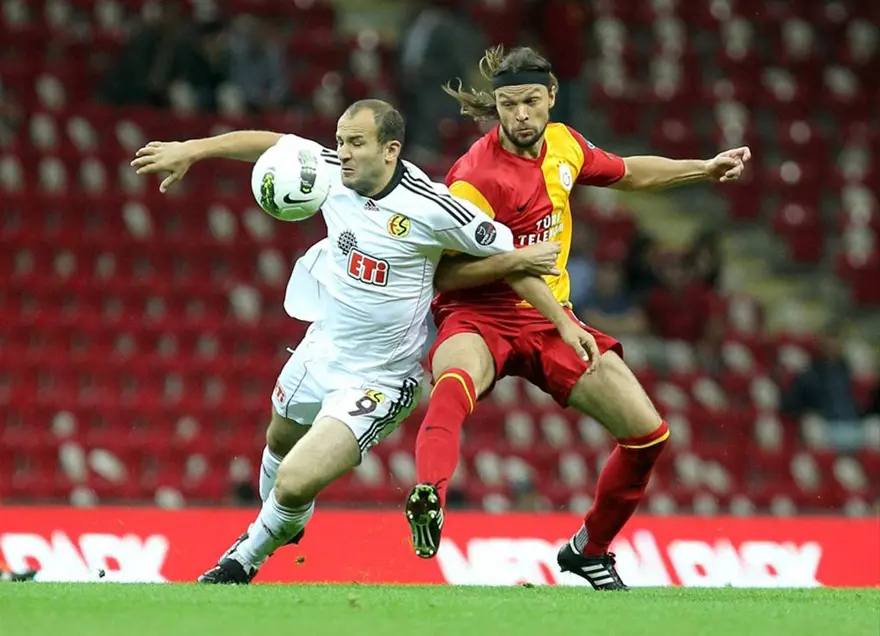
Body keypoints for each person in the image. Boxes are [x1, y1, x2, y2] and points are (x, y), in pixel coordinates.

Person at [130, 98, 598, 584]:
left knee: (293, 483)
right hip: (322, 348)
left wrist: (563, 324)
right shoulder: (331, 173)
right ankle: (281, 523)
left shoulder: (433, 207)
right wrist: (193, 150)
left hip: (381, 379)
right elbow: (272, 144)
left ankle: (241, 560)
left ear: (390, 149)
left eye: (355, 143)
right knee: (277, 443)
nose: (342, 153)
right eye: (339, 142)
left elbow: (519, 262)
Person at [405, 46, 751, 590]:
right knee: (452, 383)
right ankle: (430, 496)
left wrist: (703, 169)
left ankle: (589, 549)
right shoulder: (473, 177)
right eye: (508, 103)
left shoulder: (564, 143)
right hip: (481, 316)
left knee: (648, 434)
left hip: (550, 321)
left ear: (552, 97)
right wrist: (516, 262)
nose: (520, 114)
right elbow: (444, 276)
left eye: (531, 101)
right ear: (496, 105)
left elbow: (629, 172)